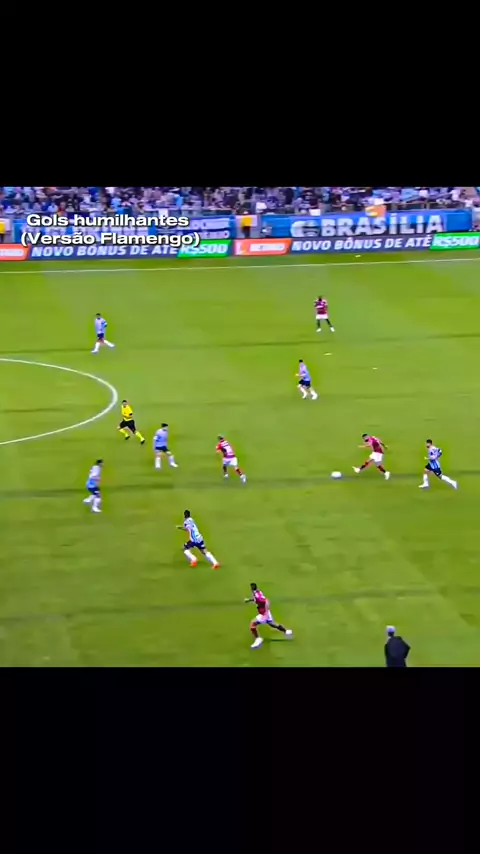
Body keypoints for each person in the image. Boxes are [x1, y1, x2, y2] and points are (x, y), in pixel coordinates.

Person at [245, 583, 293, 649]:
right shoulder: (258, 592)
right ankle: (286, 631)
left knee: (252, 625)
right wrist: (249, 600)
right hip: (266, 613)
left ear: (252, 589)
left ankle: (258, 639)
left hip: (264, 614)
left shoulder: (257, 596)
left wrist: (265, 613)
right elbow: (256, 599)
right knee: (273, 624)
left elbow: (266, 601)